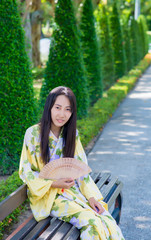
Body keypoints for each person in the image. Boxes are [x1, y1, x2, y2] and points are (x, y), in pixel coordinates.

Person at [19, 86, 125, 240]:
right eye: (58, 107)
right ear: (49, 107)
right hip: (49, 196)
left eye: (67, 109)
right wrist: (53, 183)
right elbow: (25, 171)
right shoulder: (33, 134)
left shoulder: (71, 134)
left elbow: (81, 172)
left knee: (106, 220)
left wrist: (91, 197)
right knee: (92, 222)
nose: (62, 114)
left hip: (72, 191)